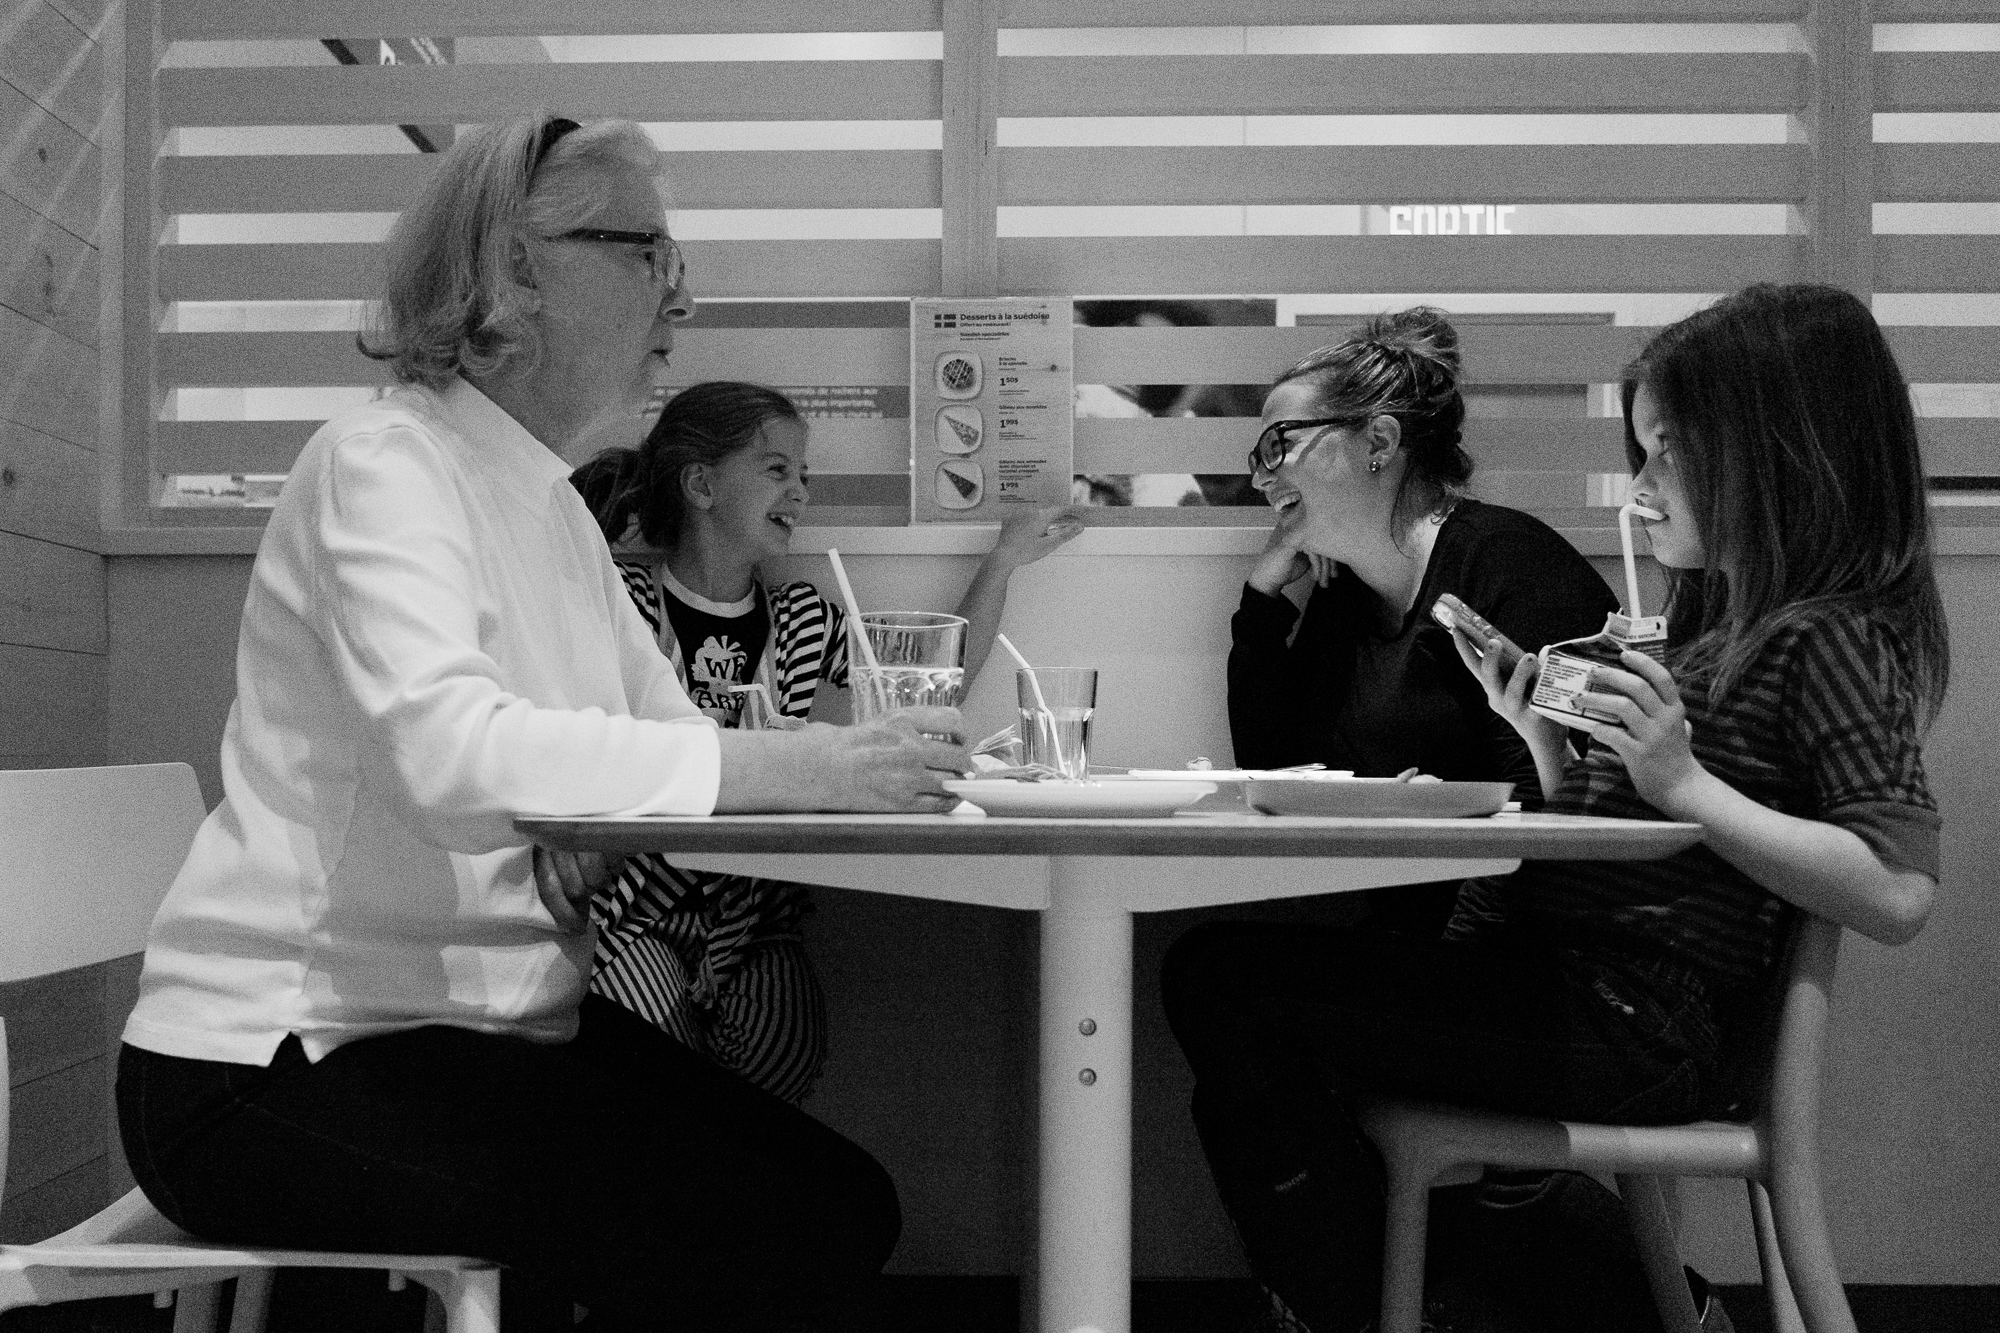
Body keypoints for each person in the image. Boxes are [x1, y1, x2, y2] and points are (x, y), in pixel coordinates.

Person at [114, 115, 969, 1333]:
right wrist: (781, 764)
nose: (682, 291)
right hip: (277, 1060)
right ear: (511, 272)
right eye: (649, 255)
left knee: (842, 1201)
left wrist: (608, 809)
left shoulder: (556, 511)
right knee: (788, 1227)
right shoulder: (386, 462)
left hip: (480, 1025)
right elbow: (455, 757)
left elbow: (665, 739)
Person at [1164, 283, 1947, 1333]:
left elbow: (1895, 890)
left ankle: (1357, 1306)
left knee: (1226, 983)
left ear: (1776, 456)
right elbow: (1616, 828)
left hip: (1635, 1018)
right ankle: (1395, 1297)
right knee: (1240, 983)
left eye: (1666, 455)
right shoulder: (1718, 633)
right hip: (1590, 989)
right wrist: (1533, 723)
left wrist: (1681, 783)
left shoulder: (1828, 637)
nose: (1639, 492)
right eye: (1640, 457)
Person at [570, 381, 1079, 1101]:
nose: (800, 491)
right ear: (701, 484)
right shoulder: (623, 601)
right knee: (653, 1072)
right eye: (777, 470)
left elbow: (929, 685)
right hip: (638, 909)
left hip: (755, 919)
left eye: (803, 474)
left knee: (782, 1053)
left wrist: (1001, 562)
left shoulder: (805, 616)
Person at [1230, 306, 1617, 934]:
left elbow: (1575, 809)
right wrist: (1262, 603)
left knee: (1212, 972)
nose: (1257, 476)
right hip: (1399, 920)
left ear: (1379, 442)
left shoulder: (1510, 567)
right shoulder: (1345, 595)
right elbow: (1273, 771)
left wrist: (1446, 813)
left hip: (1522, 949)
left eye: (1280, 444)